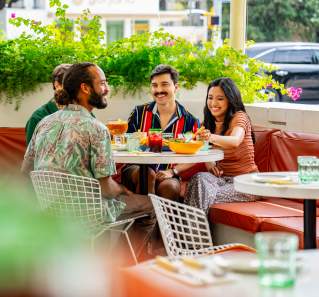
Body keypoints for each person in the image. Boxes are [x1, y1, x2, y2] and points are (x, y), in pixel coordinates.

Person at [22, 62, 155, 262]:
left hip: (51, 211)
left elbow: (26, 171)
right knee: (151, 205)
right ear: (85, 88)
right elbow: (107, 189)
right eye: (102, 83)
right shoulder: (96, 128)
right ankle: (121, 266)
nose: (107, 88)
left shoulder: (44, 122)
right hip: (88, 214)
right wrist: (122, 190)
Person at [122, 64, 200, 201]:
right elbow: (126, 142)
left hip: (168, 171)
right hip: (136, 168)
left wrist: (172, 171)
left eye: (164, 84)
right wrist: (138, 140)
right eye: (154, 85)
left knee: (170, 187)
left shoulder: (190, 120)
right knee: (148, 175)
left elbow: (195, 154)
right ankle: (146, 222)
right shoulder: (139, 113)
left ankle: (160, 223)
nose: (159, 90)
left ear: (176, 87)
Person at [183, 77, 259, 211]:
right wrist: (209, 162)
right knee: (199, 178)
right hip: (222, 180)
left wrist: (210, 137)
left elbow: (235, 141)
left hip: (247, 183)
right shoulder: (208, 124)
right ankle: (194, 231)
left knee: (200, 193)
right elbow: (200, 151)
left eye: (220, 98)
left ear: (230, 100)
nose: (213, 103)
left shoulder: (239, 117)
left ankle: (190, 231)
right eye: (210, 97)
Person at [25, 64, 71, 144]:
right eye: (70, 85)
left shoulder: (86, 114)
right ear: (56, 85)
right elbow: (32, 154)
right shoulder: (38, 118)